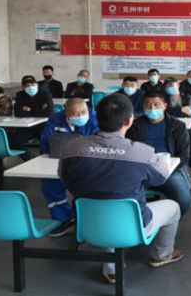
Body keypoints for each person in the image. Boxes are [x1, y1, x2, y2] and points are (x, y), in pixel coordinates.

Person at [59, 94, 184, 283]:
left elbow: (64, 178)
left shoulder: (71, 147)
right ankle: (162, 254)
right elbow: (160, 179)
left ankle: (112, 268)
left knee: (100, 201)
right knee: (173, 207)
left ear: (96, 117)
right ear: (129, 120)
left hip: (89, 222)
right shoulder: (142, 152)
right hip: (133, 225)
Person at [126, 90, 191, 215]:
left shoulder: (177, 126)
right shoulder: (134, 126)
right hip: (139, 169)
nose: (152, 108)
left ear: (165, 106)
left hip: (168, 170)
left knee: (184, 201)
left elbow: (184, 156)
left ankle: (169, 221)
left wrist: (168, 168)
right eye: (148, 104)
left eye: (156, 104)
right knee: (123, 197)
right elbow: (127, 150)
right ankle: (142, 221)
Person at [39, 98, 98, 237]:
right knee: (49, 185)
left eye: (83, 112)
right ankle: (65, 218)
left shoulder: (96, 118)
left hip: (90, 163)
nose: (80, 116)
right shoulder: (55, 120)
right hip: (60, 162)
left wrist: (63, 144)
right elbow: (44, 143)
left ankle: (92, 221)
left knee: (93, 186)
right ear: (66, 113)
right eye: (75, 114)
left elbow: (99, 142)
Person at [9, 75, 54, 161]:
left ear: (37, 85)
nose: (31, 87)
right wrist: (40, 109)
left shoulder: (45, 94)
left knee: (47, 142)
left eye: (33, 84)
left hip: (43, 125)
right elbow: (18, 113)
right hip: (26, 127)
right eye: (27, 85)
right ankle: (29, 159)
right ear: (23, 87)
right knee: (12, 142)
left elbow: (49, 113)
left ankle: (43, 160)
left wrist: (28, 109)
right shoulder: (20, 95)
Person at [163, 77, 191, 178]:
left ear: (178, 85)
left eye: (172, 85)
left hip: (187, 125)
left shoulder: (187, 97)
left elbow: (188, 111)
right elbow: (162, 111)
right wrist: (180, 109)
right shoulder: (163, 98)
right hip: (168, 124)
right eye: (167, 86)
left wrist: (170, 110)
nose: (169, 87)